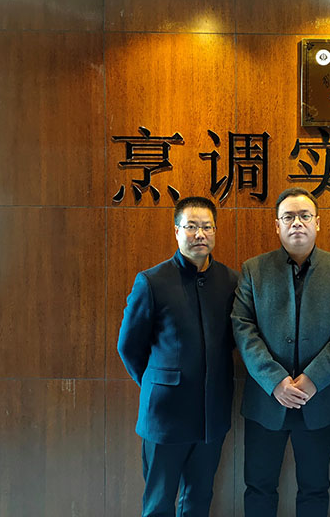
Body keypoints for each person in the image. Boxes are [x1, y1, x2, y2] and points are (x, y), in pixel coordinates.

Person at [231, 187, 330, 517]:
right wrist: (275, 381)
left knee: (315, 489)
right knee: (259, 487)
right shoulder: (253, 269)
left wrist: (313, 379)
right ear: (277, 225)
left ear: (317, 222)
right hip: (266, 400)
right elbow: (243, 328)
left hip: (320, 400)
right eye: (288, 217)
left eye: (305, 216)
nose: (297, 223)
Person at [117, 196, 238, 517]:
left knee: (199, 499)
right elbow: (129, 346)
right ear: (176, 231)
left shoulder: (230, 281)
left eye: (207, 227)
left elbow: (233, 340)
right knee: (159, 502)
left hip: (211, 413)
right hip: (165, 414)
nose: (200, 234)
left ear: (215, 231)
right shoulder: (152, 281)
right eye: (191, 226)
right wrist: (156, 382)